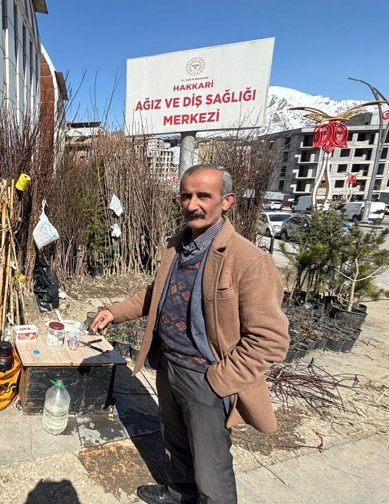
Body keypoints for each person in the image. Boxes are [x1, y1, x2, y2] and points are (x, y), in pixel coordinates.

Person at [92, 164, 289, 504]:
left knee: (212, 468)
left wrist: (219, 380)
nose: (193, 204)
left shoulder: (249, 260)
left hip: (208, 378)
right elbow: (156, 293)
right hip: (170, 366)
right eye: (186, 196)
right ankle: (181, 493)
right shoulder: (179, 245)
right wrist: (115, 312)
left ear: (226, 201)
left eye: (203, 196)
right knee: (177, 442)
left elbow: (270, 338)